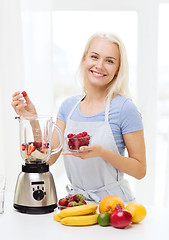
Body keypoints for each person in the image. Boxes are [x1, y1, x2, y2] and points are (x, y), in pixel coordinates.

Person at [11, 32, 146, 204]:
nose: (100, 65)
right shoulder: (68, 107)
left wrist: (102, 153)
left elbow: (140, 170)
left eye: (109, 60)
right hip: (77, 203)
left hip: (116, 206)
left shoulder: (125, 108)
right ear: (84, 59)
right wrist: (32, 119)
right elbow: (48, 157)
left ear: (118, 69)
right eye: (94, 57)